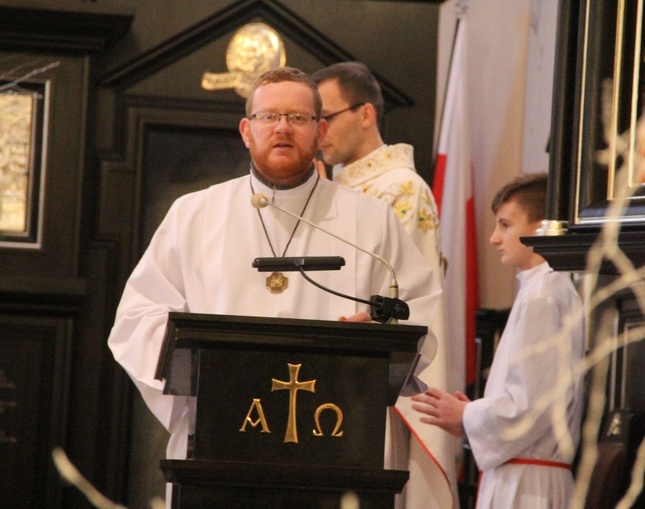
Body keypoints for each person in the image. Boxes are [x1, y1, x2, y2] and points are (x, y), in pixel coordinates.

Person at [107, 67, 442, 501]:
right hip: (219, 441)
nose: (282, 128)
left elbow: (418, 305)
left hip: (336, 447)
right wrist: (193, 367)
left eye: (298, 118)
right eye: (269, 117)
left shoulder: (370, 221)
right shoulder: (194, 215)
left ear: (321, 131)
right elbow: (137, 317)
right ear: (247, 131)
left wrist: (378, 336)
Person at [312, 61, 458, 509]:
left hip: (370, 380)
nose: (319, 133)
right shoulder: (324, 188)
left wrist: (376, 318)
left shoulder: (401, 189)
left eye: (327, 118)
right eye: (313, 121)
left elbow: (410, 295)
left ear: (366, 114)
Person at [412, 173, 586, 508]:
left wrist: (467, 415)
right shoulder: (541, 288)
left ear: (540, 226)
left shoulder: (544, 294)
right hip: (521, 476)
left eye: (505, 225)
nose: (494, 238)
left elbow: (531, 407)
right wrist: (471, 416)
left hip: (527, 490)